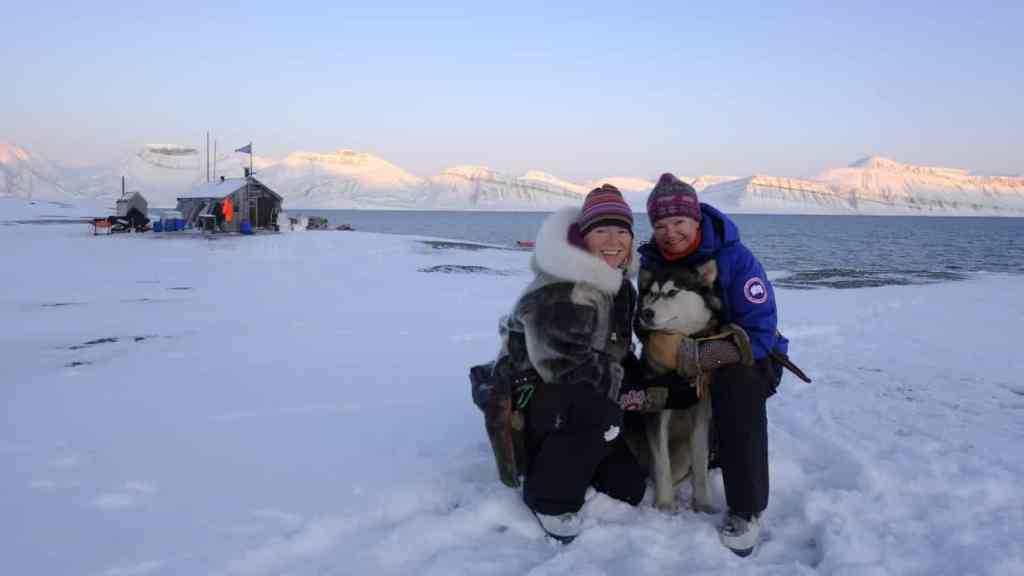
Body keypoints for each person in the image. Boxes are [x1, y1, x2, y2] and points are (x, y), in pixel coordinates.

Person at [637, 173, 788, 557]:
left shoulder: (734, 259)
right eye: (660, 225)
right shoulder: (650, 261)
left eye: (678, 222)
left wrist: (703, 358)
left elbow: (761, 331)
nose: (670, 232)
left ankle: (746, 508)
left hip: (749, 356)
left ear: (697, 220)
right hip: (674, 357)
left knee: (735, 388)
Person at [492, 184, 647, 543]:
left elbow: (619, 351)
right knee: (595, 410)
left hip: (587, 394)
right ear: (582, 237)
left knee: (629, 489)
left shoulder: (621, 287)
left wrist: (643, 384)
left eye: (622, 230)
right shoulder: (561, 288)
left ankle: (578, 456)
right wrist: (625, 396)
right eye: (601, 231)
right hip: (534, 393)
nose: (614, 240)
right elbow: (561, 366)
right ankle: (547, 498)